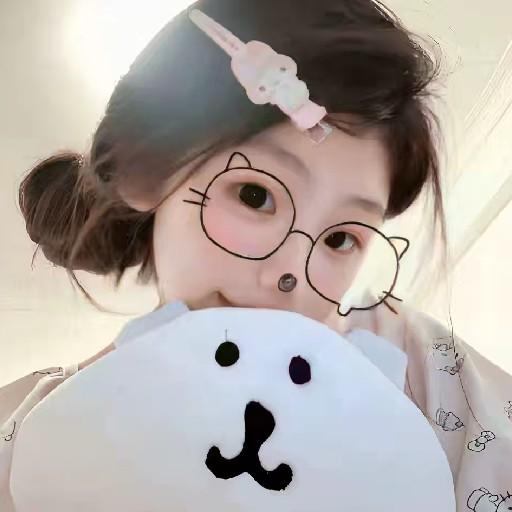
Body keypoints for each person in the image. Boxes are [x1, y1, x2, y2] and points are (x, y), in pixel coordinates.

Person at [1, 1, 510, 510]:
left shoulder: (415, 363)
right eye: (254, 195)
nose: (292, 276)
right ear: (147, 172)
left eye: (339, 239)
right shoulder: (36, 434)